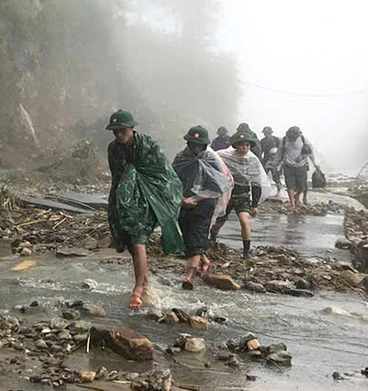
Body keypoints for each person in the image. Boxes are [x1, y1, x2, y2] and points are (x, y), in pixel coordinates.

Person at [105, 109, 185, 309]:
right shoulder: (113, 149)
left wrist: (171, 198)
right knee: (133, 244)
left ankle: (137, 290)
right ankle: (146, 283)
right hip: (126, 200)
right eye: (115, 131)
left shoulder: (148, 146)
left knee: (139, 241)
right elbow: (117, 177)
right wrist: (117, 202)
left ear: (132, 128)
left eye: (122, 130)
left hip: (148, 200)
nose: (118, 135)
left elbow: (163, 173)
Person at [172, 125, 232, 290]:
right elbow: (172, 180)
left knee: (198, 234)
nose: (196, 148)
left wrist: (197, 198)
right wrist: (183, 199)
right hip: (184, 202)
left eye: (199, 145)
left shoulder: (211, 159)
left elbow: (218, 185)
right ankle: (203, 260)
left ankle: (189, 276)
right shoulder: (181, 157)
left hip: (204, 203)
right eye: (193, 144)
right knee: (187, 235)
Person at [211, 125, 270, 258]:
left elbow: (256, 183)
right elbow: (212, 162)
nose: (245, 148)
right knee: (219, 220)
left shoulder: (252, 160)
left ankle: (246, 251)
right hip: (228, 194)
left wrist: (255, 205)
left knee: (244, 220)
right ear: (235, 145)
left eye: (247, 145)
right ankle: (212, 239)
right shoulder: (224, 156)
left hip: (243, 195)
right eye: (242, 145)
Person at [280, 125, 313, 212]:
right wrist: (276, 165)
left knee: (301, 186)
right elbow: (279, 153)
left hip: (301, 166)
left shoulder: (303, 139)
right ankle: (292, 203)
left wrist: (303, 156)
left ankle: (297, 196)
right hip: (288, 166)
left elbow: (310, 151)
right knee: (290, 185)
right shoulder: (284, 140)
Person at [260, 126, 282, 196]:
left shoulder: (276, 140)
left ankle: (279, 192)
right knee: (263, 176)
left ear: (271, 133)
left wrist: (280, 160)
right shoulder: (262, 141)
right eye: (265, 133)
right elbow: (260, 151)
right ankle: (263, 192)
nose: (267, 135)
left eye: (268, 133)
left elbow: (281, 150)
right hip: (266, 160)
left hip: (275, 160)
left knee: (276, 177)